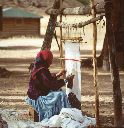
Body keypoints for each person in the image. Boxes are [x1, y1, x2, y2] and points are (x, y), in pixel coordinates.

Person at [26, 49, 74, 121]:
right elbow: (52, 85)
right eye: (50, 60)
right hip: (38, 99)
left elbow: (46, 79)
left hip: (33, 95)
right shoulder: (42, 70)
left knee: (59, 91)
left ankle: (63, 113)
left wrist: (58, 75)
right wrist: (66, 80)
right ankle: (66, 116)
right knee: (61, 95)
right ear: (46, 60)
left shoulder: (37, 66)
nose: (51, 63)